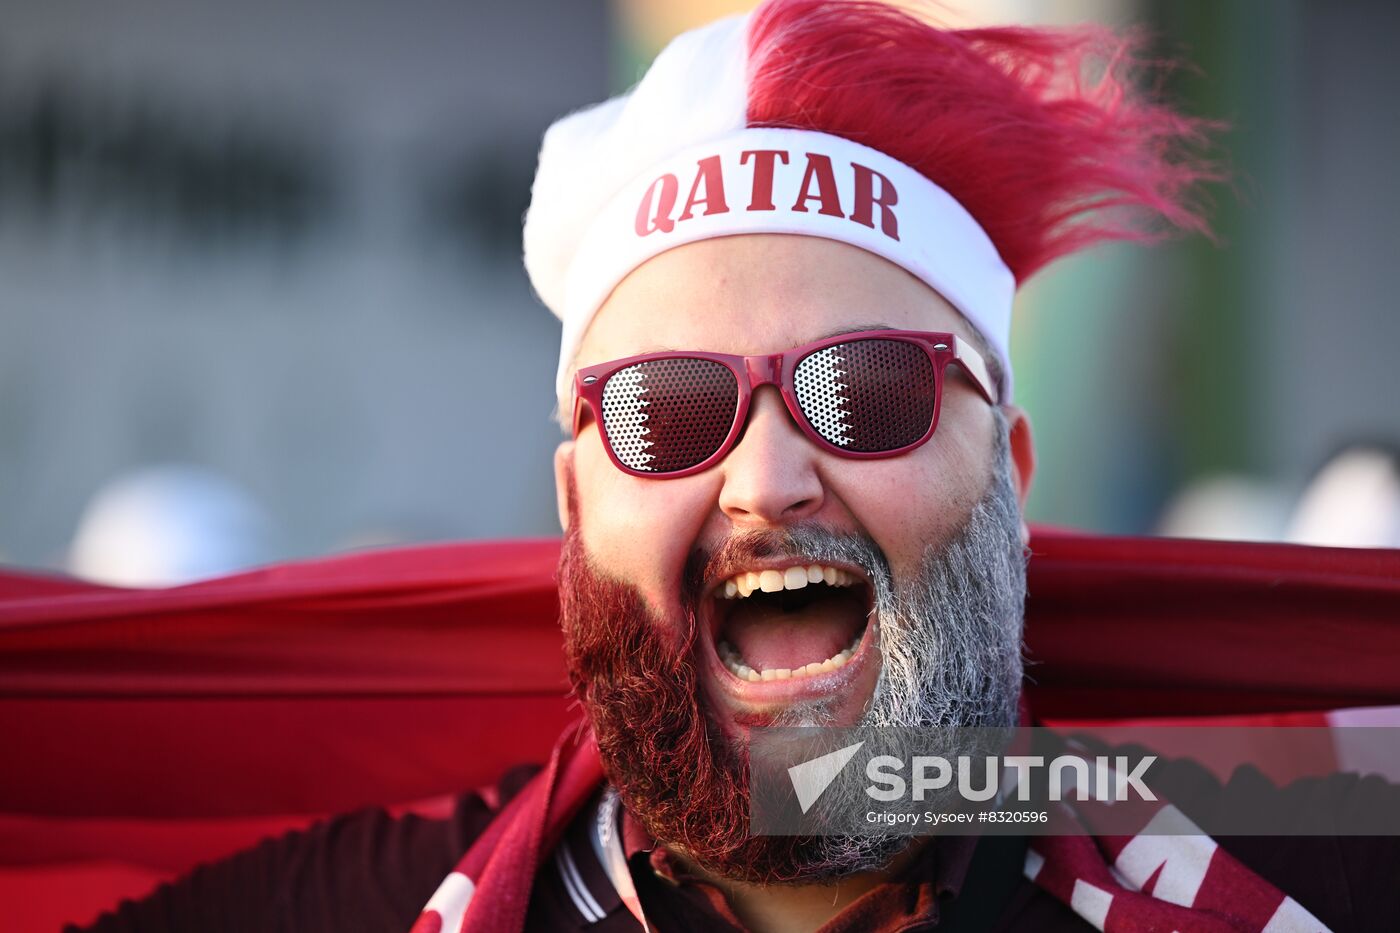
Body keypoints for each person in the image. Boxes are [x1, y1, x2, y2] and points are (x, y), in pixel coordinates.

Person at [75, 1, 1398, 931]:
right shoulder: (364, 905)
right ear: (575, 502)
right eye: (664, 410)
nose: (769, 479)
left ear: (1014, 475)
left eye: (867, 389)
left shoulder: (1304, 866)